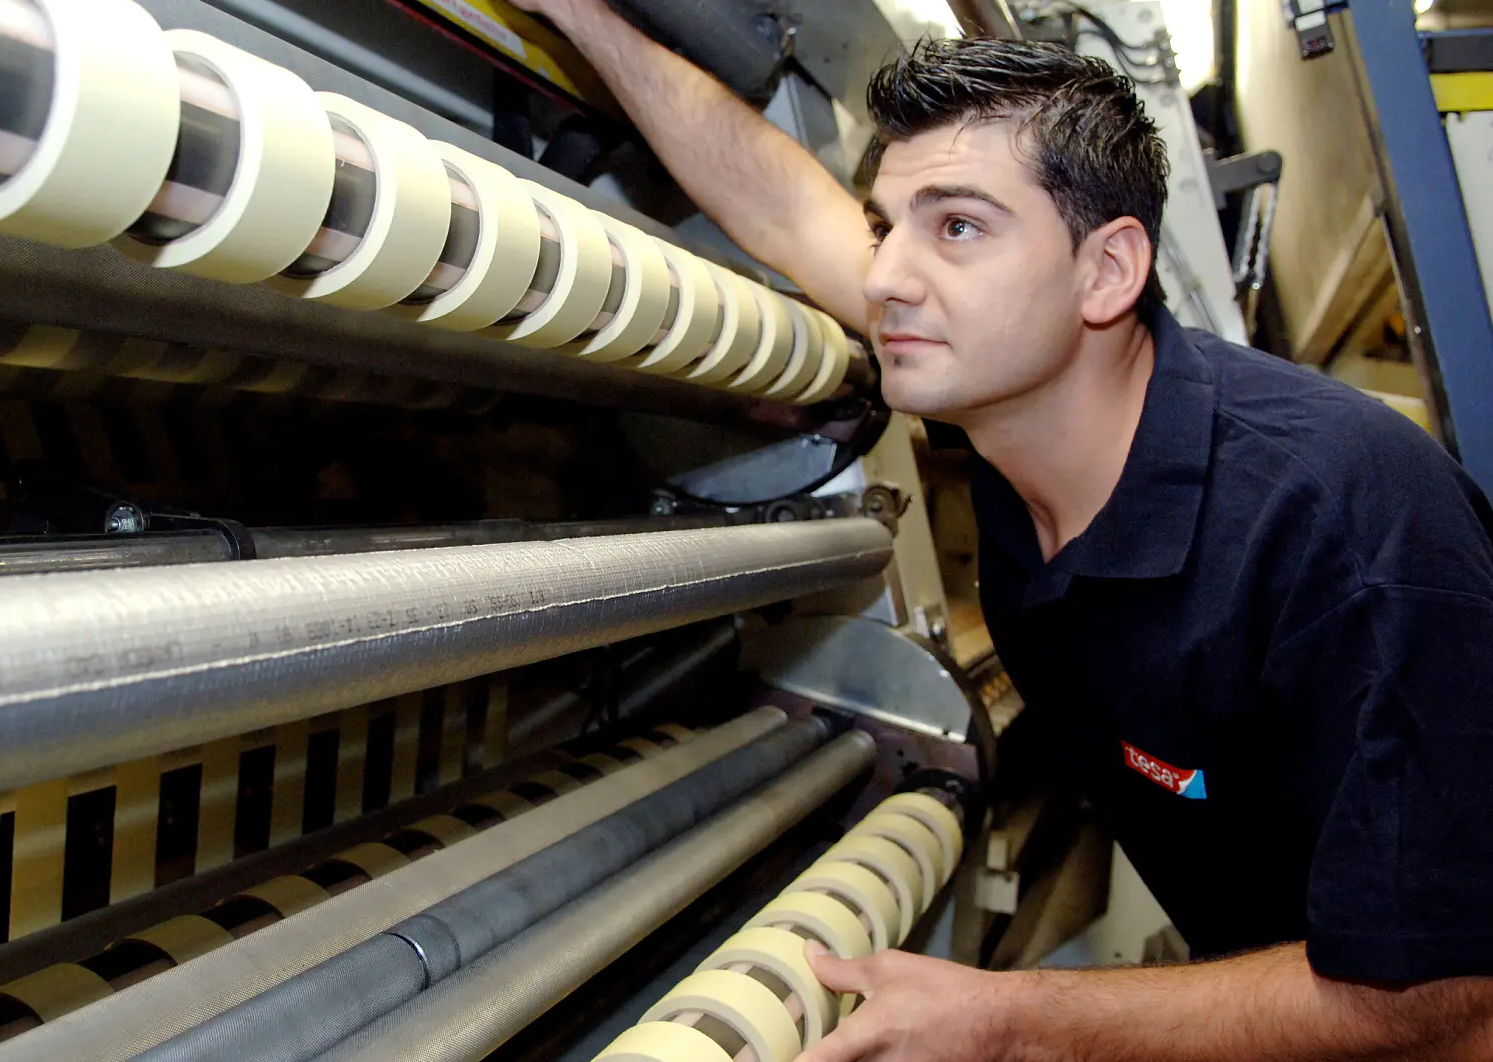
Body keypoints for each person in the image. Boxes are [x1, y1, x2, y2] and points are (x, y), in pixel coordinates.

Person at [506, 3, 1493, 1059]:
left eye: (958, 227)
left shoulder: (1345, 531)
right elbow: (784, 206)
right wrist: (582, 14)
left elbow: (1450, 1003)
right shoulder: (1016, 391)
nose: (883, 278)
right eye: (886, 227)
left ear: (1105, 272)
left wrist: (1012, 1016)